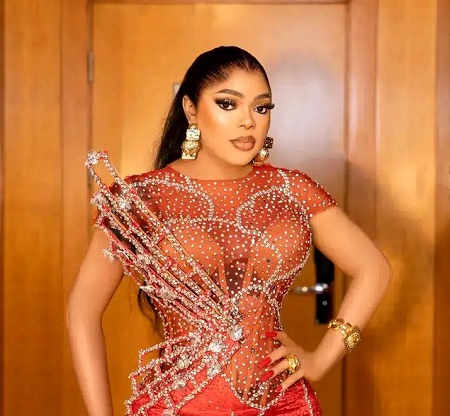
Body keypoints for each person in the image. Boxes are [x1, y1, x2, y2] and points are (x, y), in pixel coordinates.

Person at [67, 46, 392, 416]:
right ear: (191, 109)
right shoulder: (141, 198)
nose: (248, 121)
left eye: (261, 107)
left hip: (283, 406)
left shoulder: (292, 190)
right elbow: (82, 312)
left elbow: (374, 269)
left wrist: (321, 360)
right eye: (228, 104)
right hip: (178, 407)